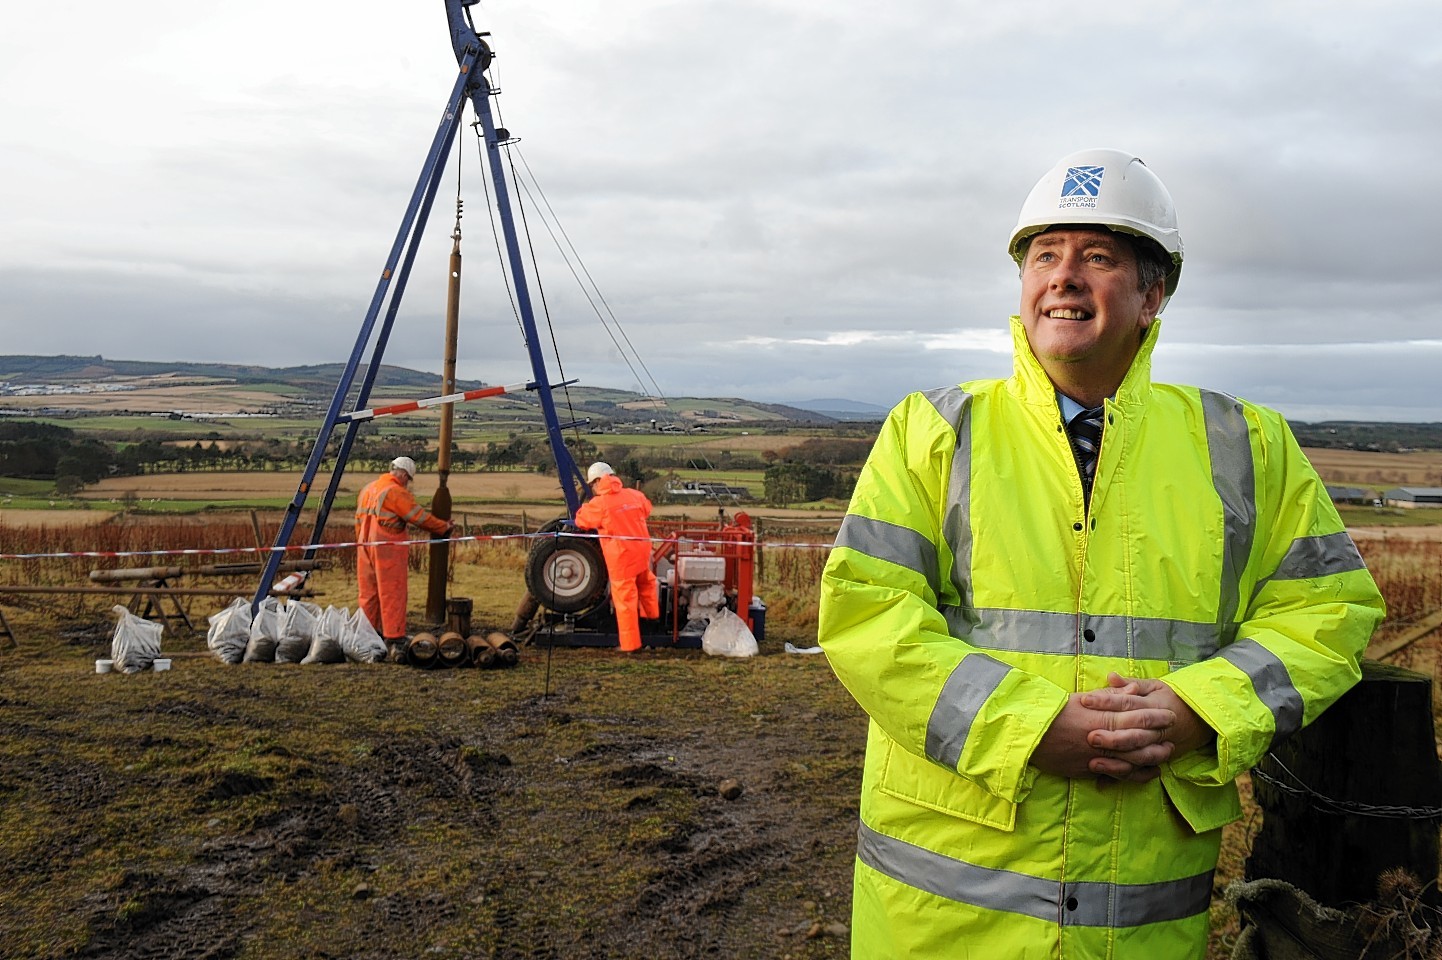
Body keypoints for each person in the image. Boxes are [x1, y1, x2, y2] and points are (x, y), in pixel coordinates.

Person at [817, 148, 1385, 959]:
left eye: (1099, 256)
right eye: (1044, 254)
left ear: (1153, 295)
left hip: (1140, 923)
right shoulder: (933, 432)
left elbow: (1330, 610)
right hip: (938, 922)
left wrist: (1203, 711)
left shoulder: (1246, 446)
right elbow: (867, 616)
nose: (1064, 276)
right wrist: (1027, 727)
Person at [354, 455, 455, 648]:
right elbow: (419, 517)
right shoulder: (395, 492)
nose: (407, 484)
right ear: (402, 474)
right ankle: (393, 635)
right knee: (392, 591)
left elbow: (358, 520)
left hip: (364, 546)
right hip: (387, 548)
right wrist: (443, 526)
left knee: (368, 592)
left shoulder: (368, 489)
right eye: (407, 479)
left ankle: (368, 634)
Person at [574, 461, 659, 652]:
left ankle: (631, 646)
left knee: (625, 601)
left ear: (596, 481)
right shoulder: (634, 495)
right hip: (642, 551)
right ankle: (654, 626)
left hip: (621, 558)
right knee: (646, 586)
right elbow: (647, 509)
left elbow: (581, 521)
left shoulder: (599, 504)